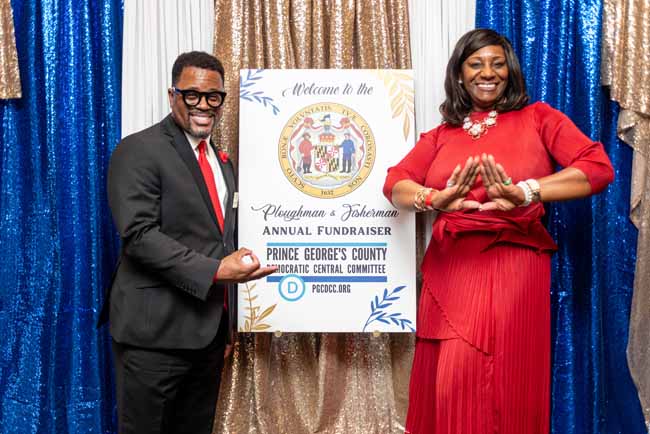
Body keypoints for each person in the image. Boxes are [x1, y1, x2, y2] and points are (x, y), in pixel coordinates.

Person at [383, 29, 614, 434]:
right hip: (450, 266)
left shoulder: (538, 118)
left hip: (513, 264)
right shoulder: (441, 135)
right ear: (459, 73)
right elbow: (395, 183)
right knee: (445, 382)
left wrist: (527, 191)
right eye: (475, 64)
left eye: (497, 63)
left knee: (497, 377)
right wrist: (433, 198)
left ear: (510, 71)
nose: (487, 72)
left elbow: (596, 169)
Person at [98, 51, 276, 434]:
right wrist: (216, 270)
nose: (204, 105)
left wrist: (226, 321)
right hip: (153, 335)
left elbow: (220, 239)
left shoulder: (221, 160)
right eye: (192, 94)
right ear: (172, 95)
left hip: (207, 335)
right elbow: (140, 236)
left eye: (214, 97)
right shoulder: (139, 150)